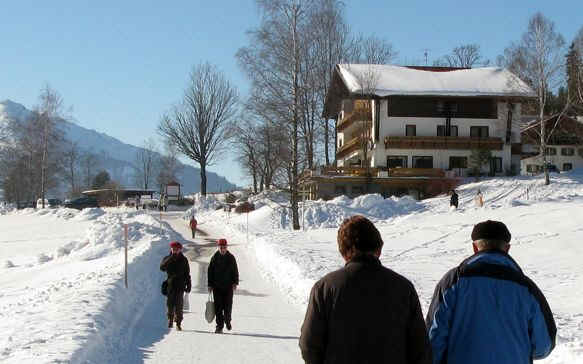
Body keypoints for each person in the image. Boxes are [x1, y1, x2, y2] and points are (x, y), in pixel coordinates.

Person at [299, 215, 431, 364]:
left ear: (343, 252)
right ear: (379, 249)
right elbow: (420, 350)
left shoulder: (324, 288)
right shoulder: (404, 288)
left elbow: (309, 345)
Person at [426, 220, 556, 364]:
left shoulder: (452, 282)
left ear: (475, 247)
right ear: (507, 248)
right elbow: (544, 346)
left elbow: (433, 339)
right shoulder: (527, 289)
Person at [208, 238, 239, 334]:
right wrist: (210, 285)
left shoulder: (231, 258)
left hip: (228, 287)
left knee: (227, 307)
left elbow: (235, 271)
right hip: (217, 287)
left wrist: (235, 282)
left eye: (224, 247)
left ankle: (228, 320)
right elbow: (210, 272)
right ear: (218, 247)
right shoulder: (214, 258)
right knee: (218, 308)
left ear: (226, 247)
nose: (222, 249)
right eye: (221, 247)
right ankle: (219, 326)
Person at [160, 241, 191, 331]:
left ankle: (178, 323)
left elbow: (187, 273)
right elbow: (162, 268)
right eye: (173, 249)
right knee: (170, 304)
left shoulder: (184, 260)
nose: (175, 251)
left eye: (177, 249)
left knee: (179, 305)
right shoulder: (167, 258)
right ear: (171, 249)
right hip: (170, 284)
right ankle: (170, 318)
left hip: (180, 285)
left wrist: (188, 284)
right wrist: (170, 258)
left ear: (180, 250)